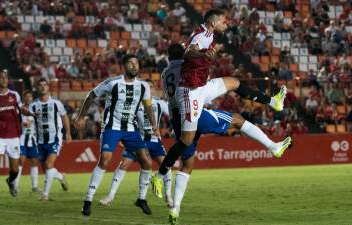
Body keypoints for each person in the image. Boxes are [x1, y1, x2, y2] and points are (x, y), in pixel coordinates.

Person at [158, 43, 292, 225]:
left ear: (168, 56)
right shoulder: (186, 66)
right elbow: (196, 72)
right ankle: (272, 145)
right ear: (184, 54)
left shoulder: (165, 73)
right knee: (237, 117)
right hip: (194, 110)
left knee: (187, 165)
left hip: (178, 119)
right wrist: (206, 54)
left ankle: (176, 208)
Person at [75, 55, 159, 216]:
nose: (134, 66)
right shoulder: (112, 82)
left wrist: (154, 125)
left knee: (146, 162)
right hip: (111, 127)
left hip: (131, 129)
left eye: (136, 63)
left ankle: (141, 199)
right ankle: (88, 200)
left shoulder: (143, 86)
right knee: (105, 160)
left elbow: (148, 106)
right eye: (130, 63)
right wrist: (81, 116)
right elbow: (91, 95)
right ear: (124, 66)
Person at [99, 80, 173, 208]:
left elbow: (173, 116)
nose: (148, 89)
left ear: (154, 89)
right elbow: (125, 119)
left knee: (165, 164)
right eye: (146, 87)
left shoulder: (160, 103)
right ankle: (110, 196)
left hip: (155, 141)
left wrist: (170, 129)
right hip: (138, 140)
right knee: (125, 163)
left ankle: (168, 195)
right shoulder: (135, 103)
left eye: (151, 87)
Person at [0, 70, 32, 205]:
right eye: (1, 78)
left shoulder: (14, 95)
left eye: (5, 78)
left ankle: (10, 180)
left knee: (14, 169)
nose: (4, 80)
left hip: (13, 135)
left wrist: (31, 113)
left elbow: (21, 109)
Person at [30, 78, 71, 201]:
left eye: (45, 85)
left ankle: (45, 195)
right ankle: (60, 176)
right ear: (37, 88)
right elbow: (29, 120)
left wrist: (67, 132)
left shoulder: (56, 103)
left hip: (55, 139)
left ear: (48, 87)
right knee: (47, 169)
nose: (43, 87)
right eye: (40, 85)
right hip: (40, 141)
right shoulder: (33, 105)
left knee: (48, 164)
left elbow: (64, 116)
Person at [14, 90, 40, 193]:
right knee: (21, 161)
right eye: (26, 96)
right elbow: (14, 123)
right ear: (23, 98)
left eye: (30, 96)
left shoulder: (36, 108)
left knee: (34, 162)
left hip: (32, 140)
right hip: (21, 139)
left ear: (32, 98)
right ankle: (15, 186)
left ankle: (34, 186)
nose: (28, 98)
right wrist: (21, 125)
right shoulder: (19, 110)